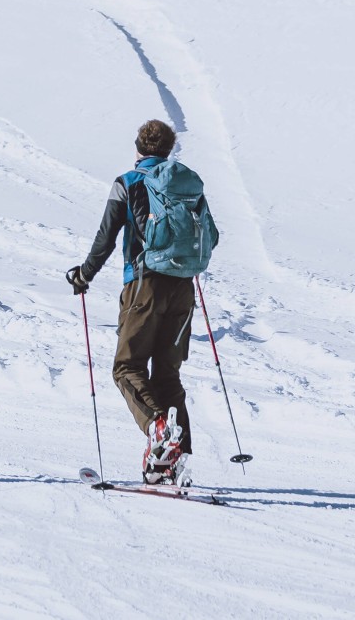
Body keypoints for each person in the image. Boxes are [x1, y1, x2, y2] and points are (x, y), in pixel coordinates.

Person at [66, 119, 219, 486]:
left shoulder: (129, 182)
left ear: (137, 149)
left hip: (143, 286)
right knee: (168, 375)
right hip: (183, 289)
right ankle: (175, 461)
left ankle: (158, 428)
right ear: (168, 151)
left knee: (127, 367)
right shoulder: (188, 185)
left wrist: (83, 275)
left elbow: (105, 238)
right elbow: (211, 235)